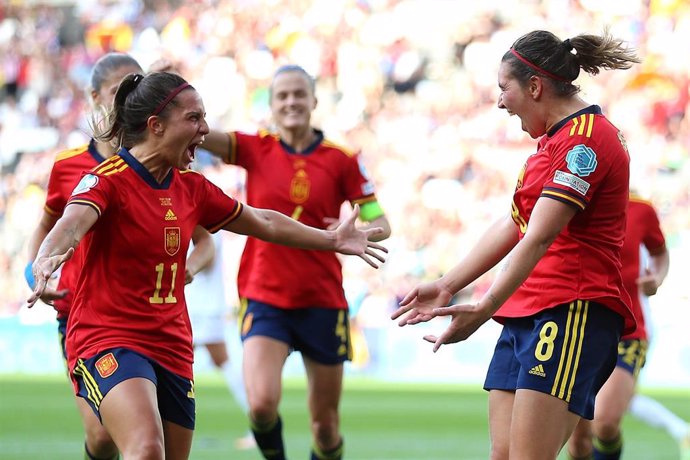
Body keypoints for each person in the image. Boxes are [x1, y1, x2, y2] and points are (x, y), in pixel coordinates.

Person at [26, 71, 387, 460]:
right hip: (107, 337)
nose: (205, 130)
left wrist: (332, 239)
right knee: (146, 449)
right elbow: (70, 223)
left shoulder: (192, 187)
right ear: (156, 126)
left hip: (172, 344)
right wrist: (45, 261)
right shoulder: (106, 180)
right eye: (194, 119)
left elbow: (263, 221)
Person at [391, 30, 640, 459]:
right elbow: (515, 222)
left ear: (535, 86)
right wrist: (449, 283)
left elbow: (541, 234)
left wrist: (484, 307)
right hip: (528, 311)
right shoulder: (553, 141)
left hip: (569, 312)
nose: (500, 101)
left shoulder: (586, 141)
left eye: (504, 88)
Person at [201, 64, 391, 460]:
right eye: (282, 96)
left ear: (314, 101)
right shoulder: (255, 148)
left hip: (322, 300)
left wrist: (356, 231)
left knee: (325, 427)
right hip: (264, 296)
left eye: (298, 94)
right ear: (270, 105)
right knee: (260, 405)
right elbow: (200, 135)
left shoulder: (341, 159)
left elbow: (380, 222)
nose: (291, 102)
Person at [24, 52, 143, 460]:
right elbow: (45, 226)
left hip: (142, 313)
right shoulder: (67, 166)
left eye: (137, 87)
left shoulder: (155, 161)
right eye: (117, 90)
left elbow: (201, 236)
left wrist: (189, 268)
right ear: (95, 97)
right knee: (102, 437)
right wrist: (34, 271)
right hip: (81, 314)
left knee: (141, 438)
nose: (129, 98)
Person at [566, 193, 688, 460]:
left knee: (606, 421)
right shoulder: (567, 202)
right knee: (579, 442)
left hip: (628, 331)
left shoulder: (641, 210)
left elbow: (659, 253)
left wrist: (656, 277)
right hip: (576, 329)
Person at [184, 231, 256, 450]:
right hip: (195, 305)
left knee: (181, 362)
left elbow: (208, 259)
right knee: (213, 362)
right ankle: (257, 419)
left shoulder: (205, 223)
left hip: (202, 307)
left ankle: (257, 419)